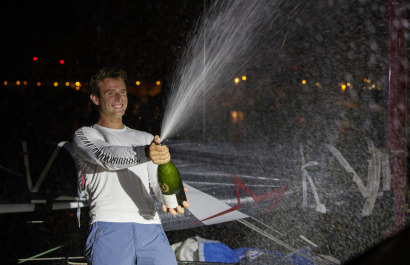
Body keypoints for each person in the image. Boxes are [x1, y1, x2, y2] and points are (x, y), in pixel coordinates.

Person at [73, 67, 189, 265]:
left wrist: (173, 196)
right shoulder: (85, 135)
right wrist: (145, 152)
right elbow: (107, 157)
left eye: (123, 92)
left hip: (151, 227)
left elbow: (156, 183)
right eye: (110, 93)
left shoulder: (144, 138)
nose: (119, 98)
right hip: (109, 227)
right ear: (95, 99)